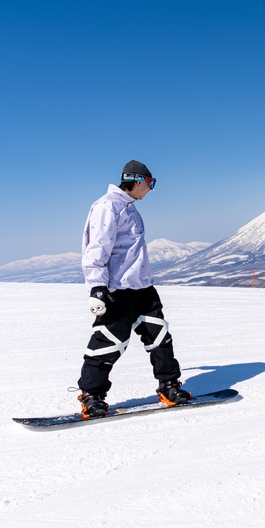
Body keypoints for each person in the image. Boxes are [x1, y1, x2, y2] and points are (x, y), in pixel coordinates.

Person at [76, 160, 192, 419]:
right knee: (109, 342)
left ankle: (169, 386)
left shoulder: (129, 207)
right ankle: (91, 395)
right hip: (118, 289)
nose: (151, 189)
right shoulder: (108, 206)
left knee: (159, 336)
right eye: (151, 183)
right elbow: (97, 249)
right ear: (138, 181)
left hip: (143, 287)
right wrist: (97, 287)